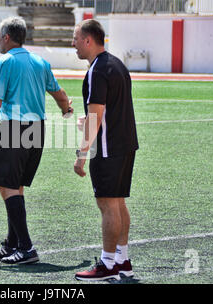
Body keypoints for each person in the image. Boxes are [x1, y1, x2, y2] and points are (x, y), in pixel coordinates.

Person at [0, 16, 73, 265]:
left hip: (14, 129)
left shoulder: (4, 62)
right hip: (37, 130)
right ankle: (12, 244)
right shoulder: (40, 62)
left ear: (6, 37)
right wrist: (66, 110)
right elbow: (59, 93)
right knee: (15, 186)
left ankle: (26, 247)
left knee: (7, 187)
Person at [71, 19, 139, 281]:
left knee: (108, 204)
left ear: (88, 40)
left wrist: (81, 155)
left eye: (75, 38)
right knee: (118, 202)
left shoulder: (98, 70)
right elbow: (105, 111)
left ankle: (108, 264)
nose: (73, 43)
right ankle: (122, 260)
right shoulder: (117, 64)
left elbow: (96, 116)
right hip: (125, 145)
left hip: (109, 148)